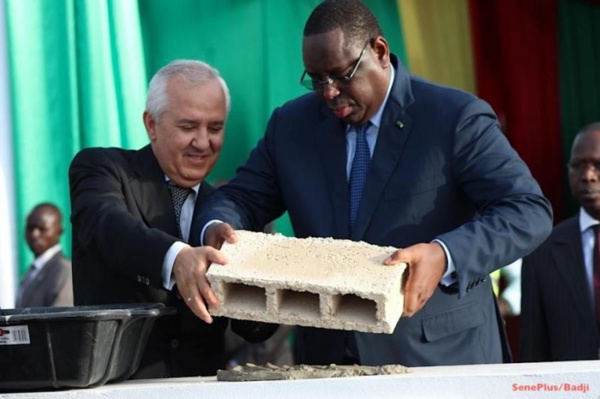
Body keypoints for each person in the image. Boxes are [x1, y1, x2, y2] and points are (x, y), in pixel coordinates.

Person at [195, 0, 552, 367]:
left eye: (340, 74)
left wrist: (444, 254)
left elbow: (528, 210)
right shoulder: (291, 126)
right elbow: (240, 197)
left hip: (438, 358)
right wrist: (217, 227)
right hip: (328, 363)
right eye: (316, 79)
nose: (328, 92)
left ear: (379, 51)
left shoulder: (454, 118)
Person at [69, 60, 277, 379]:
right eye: (188, 127)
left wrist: (265, 276)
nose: (203, 142)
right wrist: (176, 258)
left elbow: (255, 330)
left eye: (215, 128)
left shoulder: (229, 212)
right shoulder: (102, 168)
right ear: (151, 124)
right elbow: (107, 226)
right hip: (115, 388)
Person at [521, 122, 600, 362]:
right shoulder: (542, 250)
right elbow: (533, 347)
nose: (587, 176)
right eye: (578, 166)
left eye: (598, 165)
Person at [15, 203, 73, 308]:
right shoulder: (32, 270)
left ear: (59, 231)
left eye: (42, 229)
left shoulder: (64, 270)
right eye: (30, 228)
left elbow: (60, 318)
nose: (34, 234)